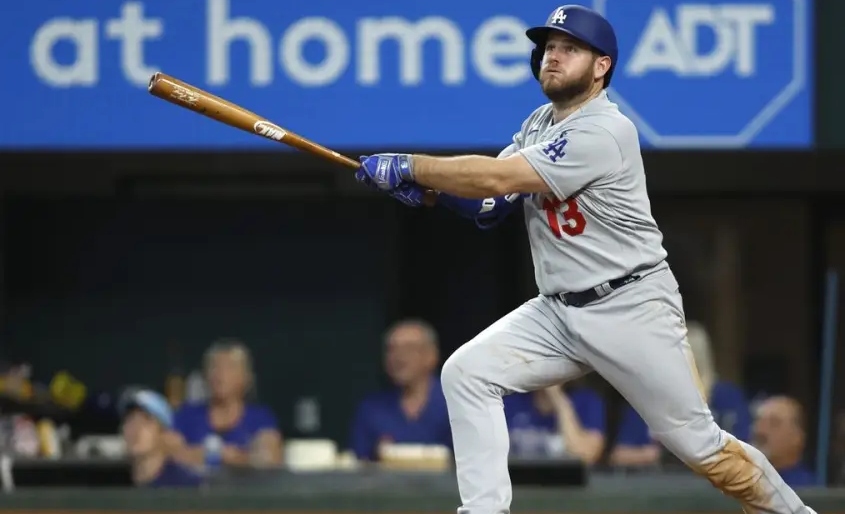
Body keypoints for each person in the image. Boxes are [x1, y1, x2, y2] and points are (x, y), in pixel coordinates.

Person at [353, 5, 818, 514]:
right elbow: (489, 203)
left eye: (569, 48)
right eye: (549, 47)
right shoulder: (538, 123)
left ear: (601, 66)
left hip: (630, 306)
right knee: (467, 373)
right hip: (557, 310)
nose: (553, 56)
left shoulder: (606, 130)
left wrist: (412, 166)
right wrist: (428, 193)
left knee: (701, 447)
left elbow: (496, 178)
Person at [610, 321, 751, 466]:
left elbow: (747, 450)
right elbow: (619, 456)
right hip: (662, 478)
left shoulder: (728, 397)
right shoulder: (649, 400)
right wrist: (658, 455)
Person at [167, 339, 283, 471]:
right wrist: (218, 456)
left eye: (230, 367)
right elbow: (171, 453)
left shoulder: (260, 418)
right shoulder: (186, 416)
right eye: (214, 367)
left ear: (246, 377)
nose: (220, 375)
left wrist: (233, 458)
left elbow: (269, 459)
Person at [349, 318, 452, 461]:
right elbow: (359, 462)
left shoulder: (454, 403)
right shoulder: (371, 409)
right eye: (391, 349)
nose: (399, 357)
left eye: (409, 349)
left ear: (432, 355)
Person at [118, 388, 202, 488]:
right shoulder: (112, 484)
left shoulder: (185, 486)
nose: (135, 428)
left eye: (146, 420)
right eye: (129, 420)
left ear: (164, 433)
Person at [504, 383, 605, 464]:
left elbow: (586, 455)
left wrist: (559, 400)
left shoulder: (586, 400)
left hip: (564, 481)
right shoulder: (510, 400)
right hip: (518, 480)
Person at [752, 396, 816, 488]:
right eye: (758, 421)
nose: (760, 431)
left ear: (797, 438)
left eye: (773, 423)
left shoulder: (811, 491)